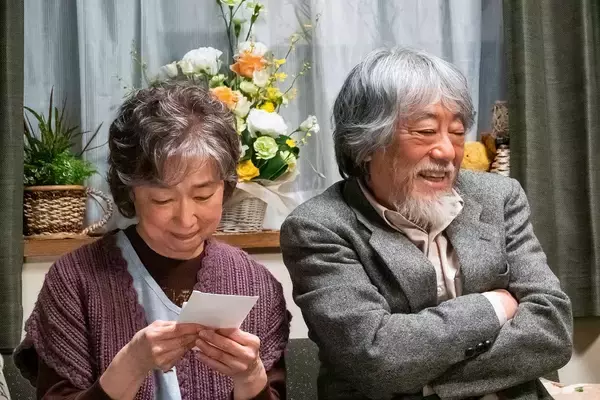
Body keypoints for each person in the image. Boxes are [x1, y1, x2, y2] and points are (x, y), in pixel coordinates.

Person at [280, 48, 573, 400]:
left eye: (457, 132)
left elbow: (553, 330)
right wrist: (494, 306)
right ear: (366, 144)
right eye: (426, 131)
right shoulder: (319, 227)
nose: (447, 151)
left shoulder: (500, 197)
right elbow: (377, 360)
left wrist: (424, 381)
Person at [15, 82, 290, 400]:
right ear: (130, 192)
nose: (185, 219)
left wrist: (251, 377)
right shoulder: (74, 280)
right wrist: (130, 366)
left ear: (226, 186)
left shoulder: (256, 285)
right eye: (162, 199)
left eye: (203, 195)